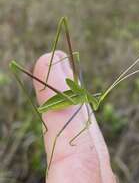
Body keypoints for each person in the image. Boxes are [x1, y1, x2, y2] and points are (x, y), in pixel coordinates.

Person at [33, 51, 116, 183]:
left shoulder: (87, 99)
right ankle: (52, 66)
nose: (97, 103)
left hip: (72, 97)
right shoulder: (85, 98)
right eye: (97, 100)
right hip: (66, 99)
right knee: (76, 55)